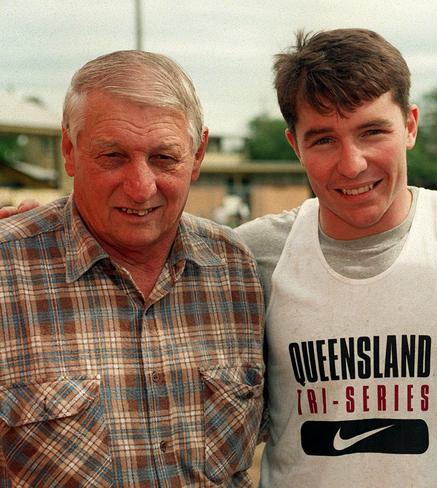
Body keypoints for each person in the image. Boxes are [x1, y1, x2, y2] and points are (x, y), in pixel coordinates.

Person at [235, 29, 437, 487]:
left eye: (372, 131)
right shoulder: (250, 256)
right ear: (294, 144)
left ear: (411, 125)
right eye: (324, 140)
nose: (352, 164)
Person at [0, 51, 265, 486]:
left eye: (164, 158)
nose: (141, 188)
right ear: (69, 149)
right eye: (113, 156)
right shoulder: (8, 272)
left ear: (197, 155)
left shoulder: (238, 270)